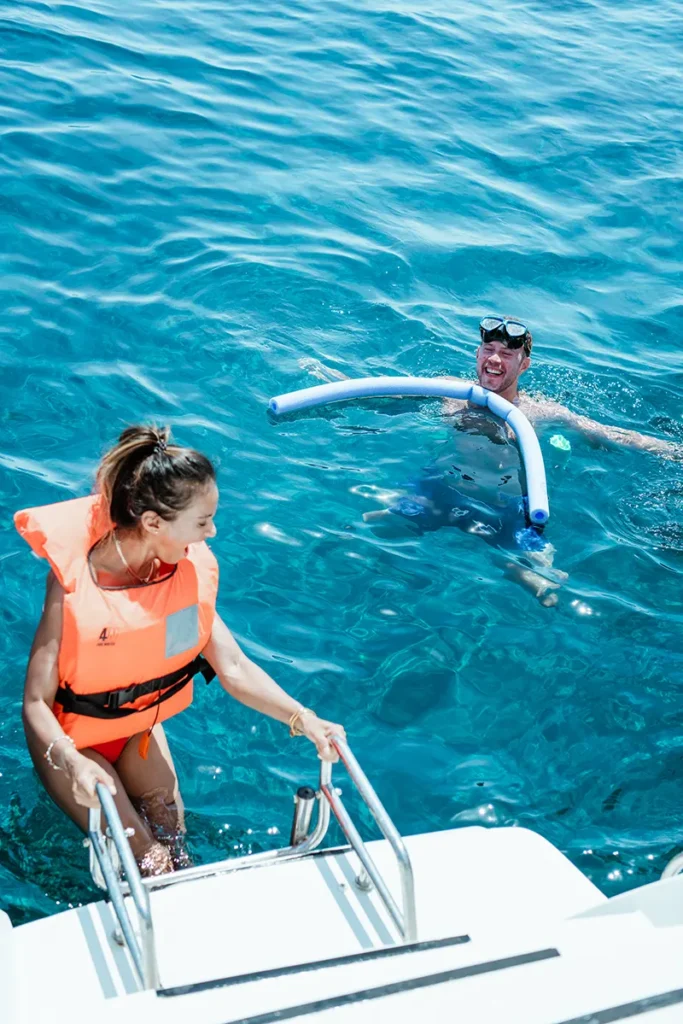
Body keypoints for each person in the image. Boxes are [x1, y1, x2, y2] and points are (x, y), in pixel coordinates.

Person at [17, 426, 345, 877]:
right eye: (202, 521)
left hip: (137, 730)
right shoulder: (75, 584)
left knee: (175, 846)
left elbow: (232, 666)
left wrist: (304, 719)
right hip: (73, 742)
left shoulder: (181, 574)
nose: (212, 532)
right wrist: (71, 762)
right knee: (150, 862)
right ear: (154, 523)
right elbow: (35, 703)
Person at [362, 316, 680, 605]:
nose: (495, 359)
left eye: (507, 354)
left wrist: (670, 450)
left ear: (524, 365)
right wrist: (334, 377)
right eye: (489, 350)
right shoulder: (450, 392)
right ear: (477, 354)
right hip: (441, 489)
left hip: (503, 505)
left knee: (542, 585)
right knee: (372, 529)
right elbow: (383, 394)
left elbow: (609, 435)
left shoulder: (539, 412)